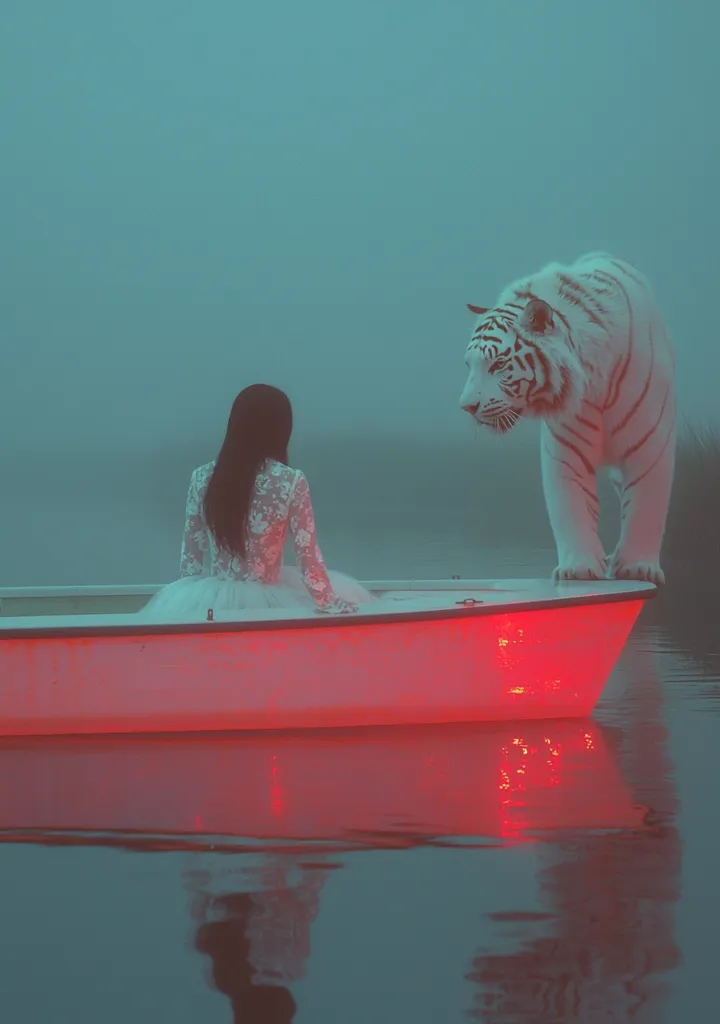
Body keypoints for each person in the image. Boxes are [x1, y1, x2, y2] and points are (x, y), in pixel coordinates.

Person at [141, 384, 373, 620]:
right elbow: (308, 557)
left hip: (212, 600)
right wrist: (327, 602)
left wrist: (185, 604)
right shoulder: (290, 481)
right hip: (270, 602)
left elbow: (191, 560)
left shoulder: (202, 477)